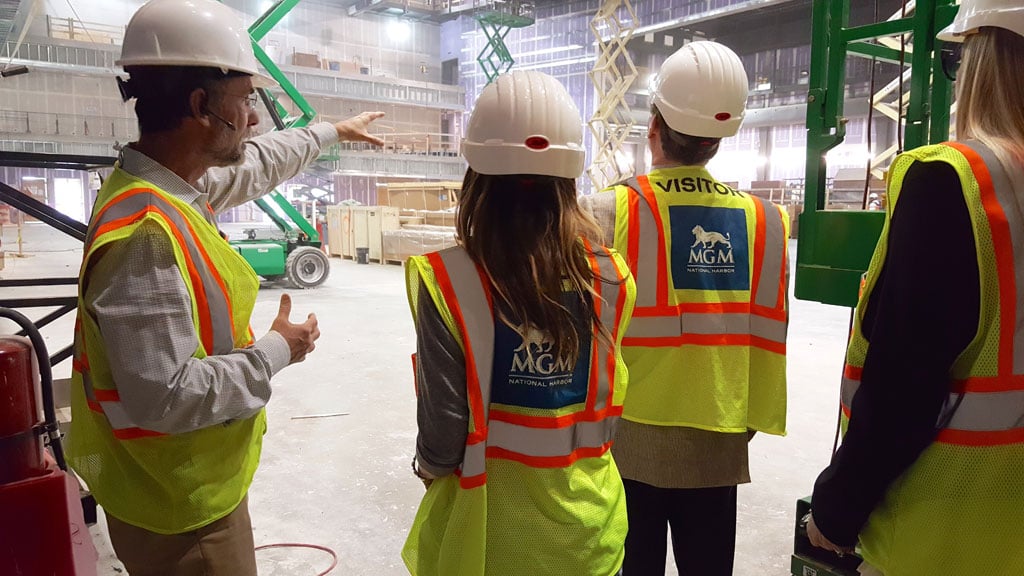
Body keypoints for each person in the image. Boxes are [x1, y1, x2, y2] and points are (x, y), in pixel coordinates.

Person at [65, 0, 384, 574]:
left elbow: (257, 161)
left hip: (177, 488)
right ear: (200, 107)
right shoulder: (147, 234)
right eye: (245, 101)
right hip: (178, 508)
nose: (255, 118)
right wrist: (277, 350)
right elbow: (165, 396)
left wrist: (330, 132)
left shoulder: (172, 186)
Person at [807, 2, 1024, 575]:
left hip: (944, 538)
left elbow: (904, 386)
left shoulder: (954, 182)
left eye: (957, 60)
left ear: (984, 60)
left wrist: (836, 509)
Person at [401, 70, 637, 576]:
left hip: (490, 541)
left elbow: (443, 444)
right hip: (591, 535)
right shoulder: (612, 277)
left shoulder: (446, 281)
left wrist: (428, 465)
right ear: (569, 180)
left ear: (476, 177)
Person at [582, 41, 790, 576]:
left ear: (653, 126)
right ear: (718, 141)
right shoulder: (767, 223)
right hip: (720, 441)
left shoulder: (609, 209)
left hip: (627, 442)